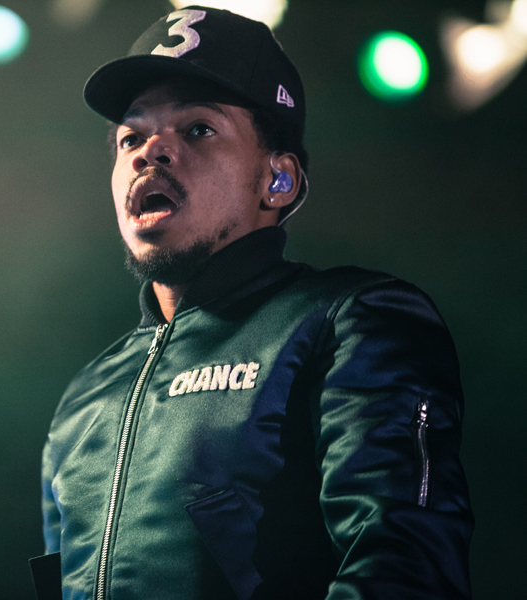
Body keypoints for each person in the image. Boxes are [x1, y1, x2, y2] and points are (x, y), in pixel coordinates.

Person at [31, 7, 472, 600]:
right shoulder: (85, 395)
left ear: (278, 180)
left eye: (197, 129)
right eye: (130, 137)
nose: (149, 152)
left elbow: (402, 568)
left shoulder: (351, 320)